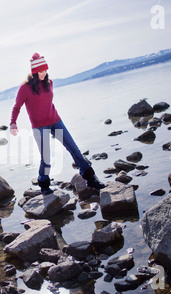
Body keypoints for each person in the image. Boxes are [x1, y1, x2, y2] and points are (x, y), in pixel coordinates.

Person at [9, 53, 105, 194]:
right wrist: (13, 123)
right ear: (35, 72)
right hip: (39, 126)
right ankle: (44, 183)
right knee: (46, 157)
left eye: (45, 70)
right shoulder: (25, 88)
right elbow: (17, 106)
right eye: (41, 71)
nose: (44, 73)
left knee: (74, 149)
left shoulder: (49, 83)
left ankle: (91, 178)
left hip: (55, 121)